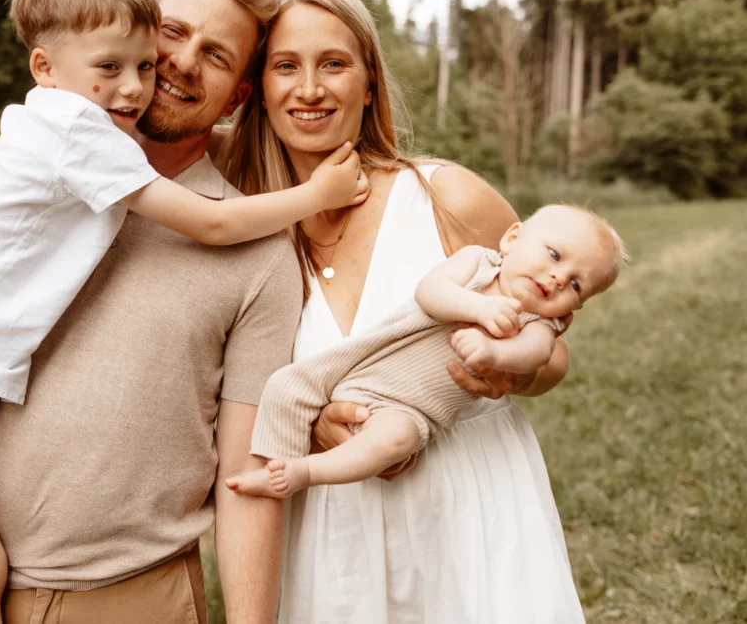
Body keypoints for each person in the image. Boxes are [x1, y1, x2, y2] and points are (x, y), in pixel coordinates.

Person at [0, 0, 372, 624]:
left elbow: (244, 479)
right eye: (170, 34)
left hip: (126, 597)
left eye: (216, 55)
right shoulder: (30, 180)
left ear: (237, 95)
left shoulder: (257, 255)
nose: (175, 63)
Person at [221, 0, 588, 622]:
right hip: (328, 531)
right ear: (260, 89)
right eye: (286, 65)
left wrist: (513, 370)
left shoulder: (448, 195)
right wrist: (310, 423)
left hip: (466, 507)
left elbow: (554, 350)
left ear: (369, 85)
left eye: (333, 63)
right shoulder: (244, 227)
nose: (309, 88)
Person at [226, 205, 625, 498]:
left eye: (576, 285)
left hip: (409, 410)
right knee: (287, 385)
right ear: (513, 239)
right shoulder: (477, 263)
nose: (558, 278)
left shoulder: (539, 325)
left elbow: (534, 357)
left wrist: (492, 353)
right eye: (554, 255)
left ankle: (300, 473)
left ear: (576, 308)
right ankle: (266, 464)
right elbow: (430, 293)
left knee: (393, 442)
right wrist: (479, 308)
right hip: (364, 363)